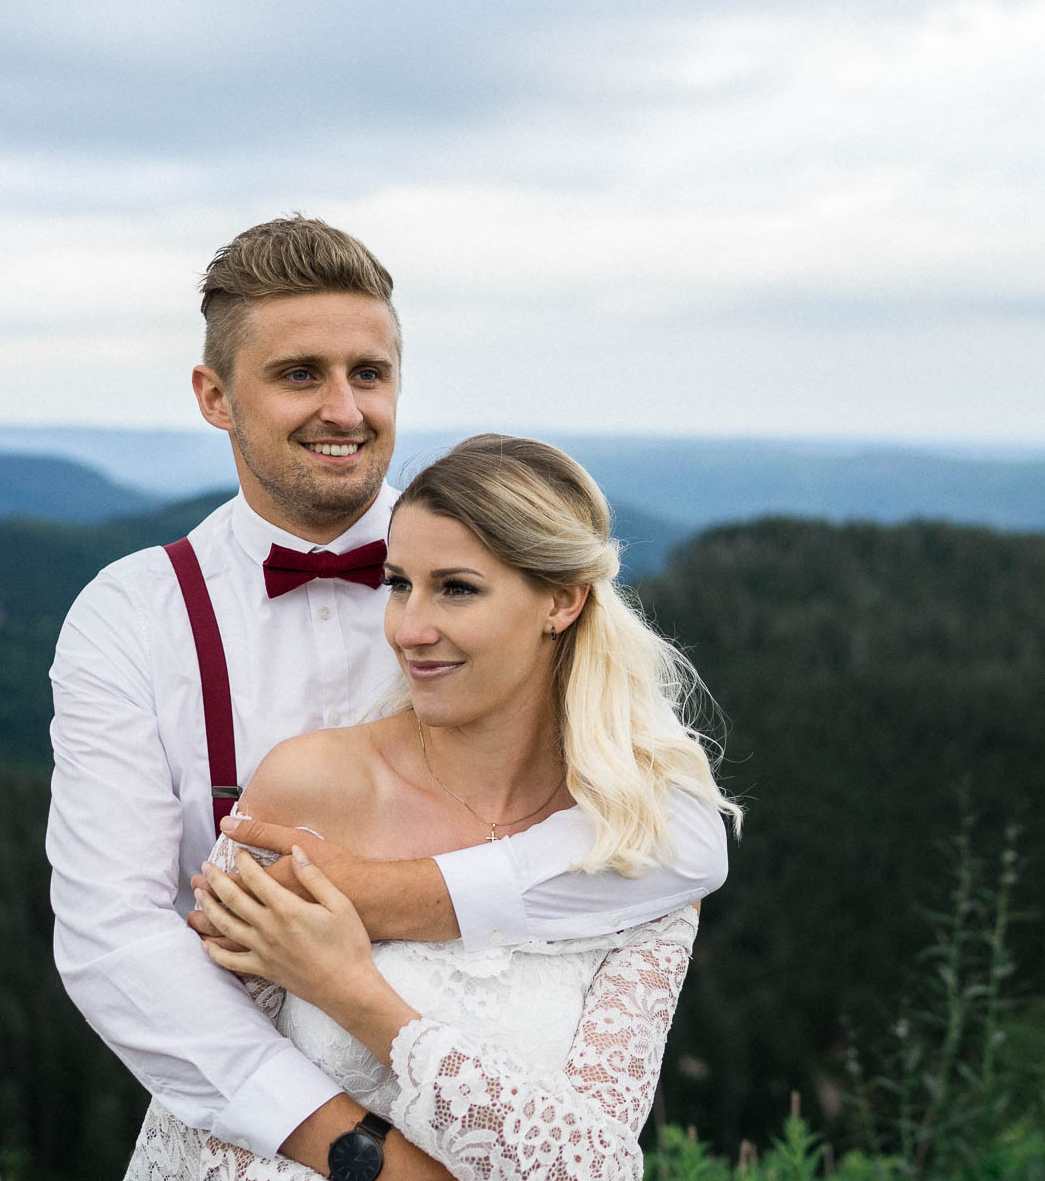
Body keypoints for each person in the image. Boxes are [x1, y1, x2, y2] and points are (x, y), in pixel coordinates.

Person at [46, 218, 730, 1178]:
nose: (344, 408)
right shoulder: (133, 617)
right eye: (298, 375)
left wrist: (383, 898)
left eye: (369, 374)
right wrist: (359, 1154)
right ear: (214, 396)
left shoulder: (493, 556)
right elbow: (113, 940)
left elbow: (688, 842)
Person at [127, 433, 741, 1180]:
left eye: (456, 588)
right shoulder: (307, 792)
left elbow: (594, 1167)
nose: (408, 628)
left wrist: (351, 992)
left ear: (562, 600)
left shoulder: (640, 853)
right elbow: (205, 1102)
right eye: (397, 583)